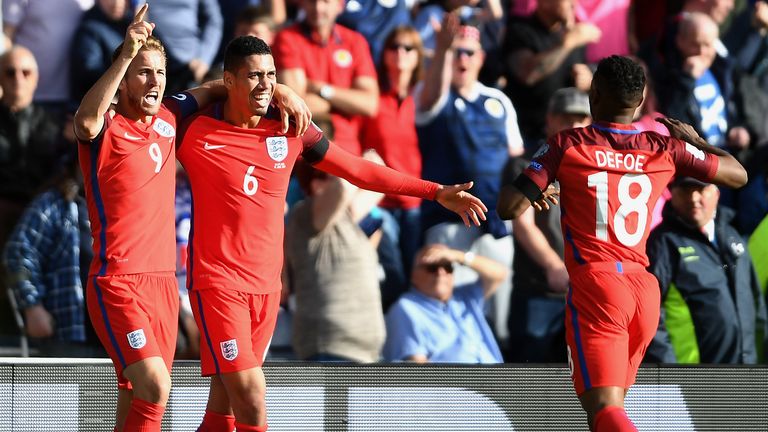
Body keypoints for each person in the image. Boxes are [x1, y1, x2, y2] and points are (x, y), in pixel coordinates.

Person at [176, 35, 486, 432]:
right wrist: (281, 88)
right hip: (218, 286)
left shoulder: (290, 130)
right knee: (252, 396)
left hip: (266, 291)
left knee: (223, 410)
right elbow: (163, 109)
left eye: (271, 76)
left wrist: (435, 191)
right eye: (253, 77)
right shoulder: (195, 131)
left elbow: (358, 170)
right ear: (229, 81)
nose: (264, 85)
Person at [72, 6, 308, 431]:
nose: (154, 82)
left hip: (164, 283)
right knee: (155, 386)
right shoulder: (107, 126)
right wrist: (126, 54)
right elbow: (85, 122)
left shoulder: (168, 119)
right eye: (143, 73)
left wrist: (278, 91)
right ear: (123, 79)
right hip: (117, 282)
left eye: (160, 73)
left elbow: (226, 87)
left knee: (138, 402)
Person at [497, 55, 747, 431]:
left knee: (603, 409)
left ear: (593, 94)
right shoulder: (665, 148)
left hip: (598, 287)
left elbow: (507, 207)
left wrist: (540, 187)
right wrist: (698, 142)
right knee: (612, 412)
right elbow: (738, 174)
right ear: (642, 97)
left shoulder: (568, 144)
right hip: (644, 291)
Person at [416, 15, 523, 346]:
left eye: (469, 52)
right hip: (450, 222)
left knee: (500, 320)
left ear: (481, 58)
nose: (462, 58)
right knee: (454, 313)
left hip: (495, 223)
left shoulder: (498, 100)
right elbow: (430, 99)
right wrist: (442, 53)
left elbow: (515, 155)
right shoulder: (432, 91)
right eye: (457, 51)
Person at [502, 87, 591, 363]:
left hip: (585, 294)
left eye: (581, 120)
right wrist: (554, 266)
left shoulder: (596, 168)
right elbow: (522, 224)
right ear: (550, 120)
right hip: (538, 290)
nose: (575, 126)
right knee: (531, 385)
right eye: (567, 119)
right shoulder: (526, 165)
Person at [645, 176, 767, 364]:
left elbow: (756, 304)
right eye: (685, 190)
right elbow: (648, 317)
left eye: (700, 189)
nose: (693, 198)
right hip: (694, 381)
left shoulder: (732, 236)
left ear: (716, 193)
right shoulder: (661, 244)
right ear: (673, 194)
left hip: (744, 376)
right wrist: (670, 371)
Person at [285, 154, 387, 363]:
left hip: (366, 352)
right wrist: (355, 161)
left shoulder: (349, 217)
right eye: (328, 175)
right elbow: (342, 186)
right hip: (329, 347)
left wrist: (367, 157)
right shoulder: (303, 215)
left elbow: (379, 175)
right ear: (315, 184)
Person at [2, 161, 103, 357]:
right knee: (69, 387)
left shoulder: (121, 207)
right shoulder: (55, 203)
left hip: (115, 333)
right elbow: (18, 253)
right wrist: (33, 307)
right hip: (68, 332)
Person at [273, 0, 379, 155]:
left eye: (326, 1)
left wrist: (319, 89)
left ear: (340, 5)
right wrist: (345, 103)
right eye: (312, 2)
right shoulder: (287, 38)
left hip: (348, 150)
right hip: (305, 149)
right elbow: (295, 106)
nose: (318, 7)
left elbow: (370, 104)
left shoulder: (355, 41)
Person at [382, 243, 507, 363]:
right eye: (432, 267)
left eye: (448, 267)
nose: (441, 273)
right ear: (414, 275)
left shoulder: (464, 297)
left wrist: (459, 256)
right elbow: (417, 370)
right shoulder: (405, 308)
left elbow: (499, 274)